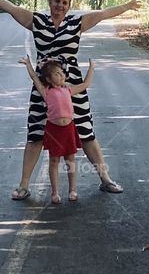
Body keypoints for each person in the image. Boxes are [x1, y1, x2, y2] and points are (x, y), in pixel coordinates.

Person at [0, 0, 140, 200]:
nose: (60, 5)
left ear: (69, 6)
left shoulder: (76, 23)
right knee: (35, 133)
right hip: (43, 87)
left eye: (64, 2)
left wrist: (127, 5)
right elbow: (12, 8)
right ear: (50, 2)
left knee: (86, 130)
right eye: (56, 1)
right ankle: (23, 185)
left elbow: (104, 13)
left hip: (71, 86)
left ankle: (106, 179)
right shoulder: (37, 21)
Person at [19, 55, 94, 203]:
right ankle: (55, 192)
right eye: (57, 74)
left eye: (62, 73)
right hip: (54, 130)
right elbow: (34, 77)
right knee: (54, 161)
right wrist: (28, 64)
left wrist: (91, 68)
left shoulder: (68, 90)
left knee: (70, 159)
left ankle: (72, 190)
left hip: (69, 129)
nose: (61, 76)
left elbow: (85, 84)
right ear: (48, 79)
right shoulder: (46, 92)